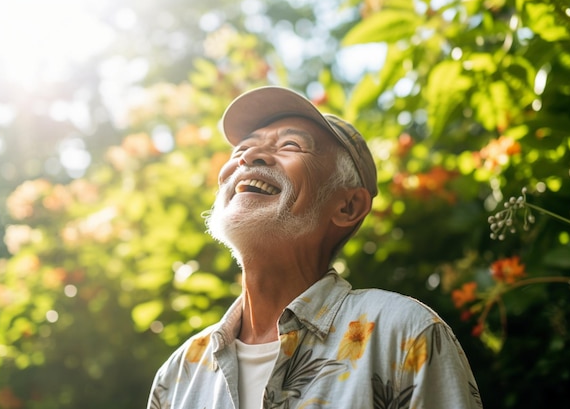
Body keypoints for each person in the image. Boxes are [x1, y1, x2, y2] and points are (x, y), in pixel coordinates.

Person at [146, 86, 483, 409]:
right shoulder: (179, 374)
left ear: (347, 207)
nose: (250, 156)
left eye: (290, 145)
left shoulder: (404, 334)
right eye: (241, 149)